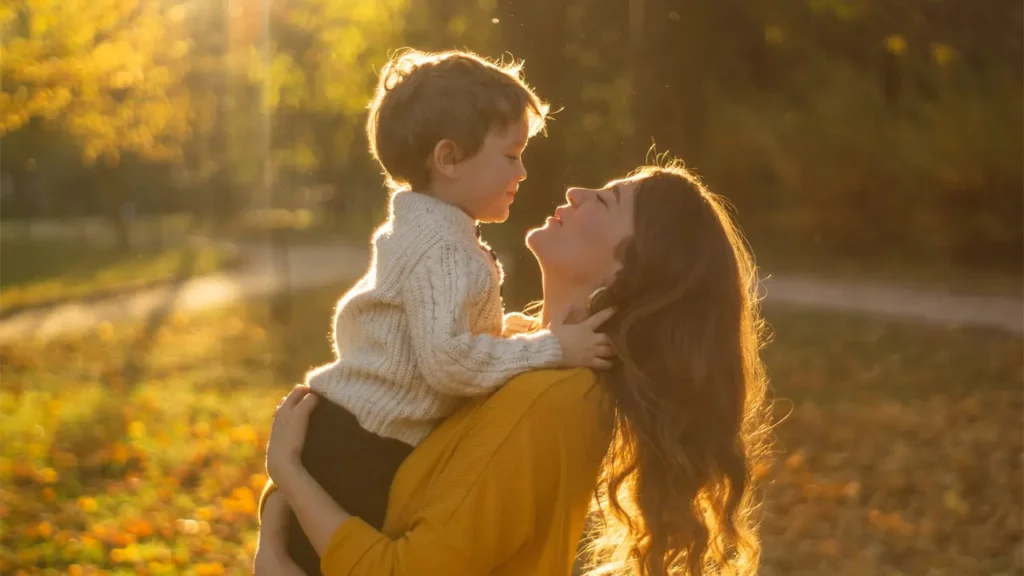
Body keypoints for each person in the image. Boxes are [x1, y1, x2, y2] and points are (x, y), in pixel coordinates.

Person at [256, 162, 774, 576]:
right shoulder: (507, 353)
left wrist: (289, 476)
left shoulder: (557, 398)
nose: (575, 191)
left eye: (606, 199)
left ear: (626, 266)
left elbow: (405, 570)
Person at [264, 49, 615, 575]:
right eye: (512, 154)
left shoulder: (431, 232)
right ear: (449, 159)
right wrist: (551, 347)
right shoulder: (447, 250)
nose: (522, 170)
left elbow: (444, 336)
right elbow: (449, 362)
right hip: (362, 448)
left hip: (348, 433)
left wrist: (516, 331)